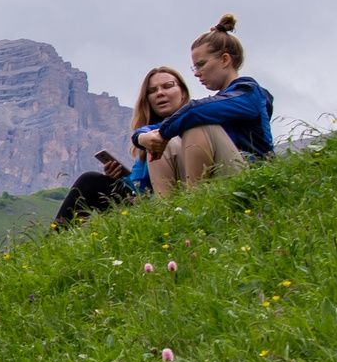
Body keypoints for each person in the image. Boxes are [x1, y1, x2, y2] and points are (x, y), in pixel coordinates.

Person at [139, 15, 273, 196]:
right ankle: (167, 212)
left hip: (252, 179)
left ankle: (194, 200)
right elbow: (156, 129)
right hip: (223, 173)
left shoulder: (250, 93)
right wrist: (143, 137)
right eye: (194, 67)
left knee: (198, 124)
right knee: (164, 143)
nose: (196, 74)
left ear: (225, 60)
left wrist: (163, 133)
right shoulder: (220, 102)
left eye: (201, 65)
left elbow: (194, 112)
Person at [54, 66, 193, 226]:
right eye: (152, 91)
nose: (160, 93)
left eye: (167, 86)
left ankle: (55, 238)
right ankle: (55, 240)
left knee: (88, 181)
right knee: (91, 182)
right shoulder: (148, 137)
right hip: (146, 201)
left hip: (175, 198)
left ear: (183, 93)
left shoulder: (194, 123)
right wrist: (119, 177)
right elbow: (139, 187)